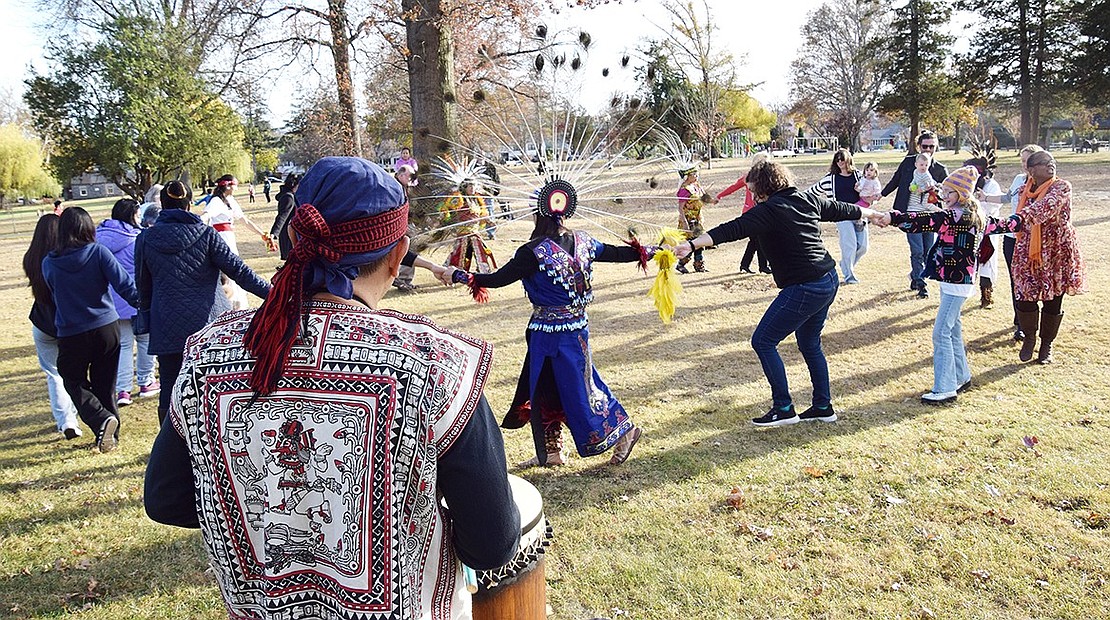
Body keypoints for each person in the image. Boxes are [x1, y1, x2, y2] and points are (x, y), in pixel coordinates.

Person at [144, 157, 520, 619]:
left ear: (297, 240)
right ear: (399, 254)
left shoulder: (207, 356)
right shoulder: (438, 366)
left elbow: (167, 500)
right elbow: (492, 544)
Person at [449, 187, 648, 466]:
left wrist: (459, 275)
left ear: (537, 213)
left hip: (551, 334)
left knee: (580, 389)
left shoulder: (532, 253)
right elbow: (617, 253)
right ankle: (552, 450)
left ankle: (624, 432)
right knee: (547, 387)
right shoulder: (585, 242)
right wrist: (651, 252)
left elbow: (495, 279)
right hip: (571, 330)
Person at [677, 160, 884, 427]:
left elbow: (731, 230)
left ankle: (783, 408)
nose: (751, 195)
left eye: (752, 189)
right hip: (828, 278)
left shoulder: (768, 211)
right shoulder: (805, 198)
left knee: (763, 341)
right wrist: (871, 215)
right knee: (810, 343)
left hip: (806, 285)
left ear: (763, 186)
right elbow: (843, 209)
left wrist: (692, 244)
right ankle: (823, 406)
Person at [879, 166, 1023, 404]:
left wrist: (894, 217)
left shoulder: (956, 216)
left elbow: (924, 221)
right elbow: (1006, 224)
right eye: (943, 191)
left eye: (949, 192)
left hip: (957, 283)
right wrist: (1022, 219)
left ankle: (945, 388)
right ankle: (961, 376)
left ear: (963, 194)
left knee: (941, 333)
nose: (944, 196)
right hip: (955, 281)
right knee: (953, 329)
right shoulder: (975, 215)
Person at [135, 180, 271, 424]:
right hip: (209, 326)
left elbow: (143, 287)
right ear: (188, 205)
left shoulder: (145, 239)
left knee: (169, 384)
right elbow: (241, 273)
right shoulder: (206, 234)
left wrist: (145, 318)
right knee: (215, 386)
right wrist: (275, 294)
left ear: (162, 206)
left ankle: (169, 450)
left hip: (167, 324)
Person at [42, 207, 140, 452]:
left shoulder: (49, 262)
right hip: (106, 327)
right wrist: (147, 305)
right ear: (88, 228)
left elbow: (52, 294)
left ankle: (101, 421)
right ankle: (110, 434)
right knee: (105, 383)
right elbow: (125, 286)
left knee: (73, 380)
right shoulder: (99, 253)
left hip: (72, 331)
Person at [1008, 151, 1087, 364]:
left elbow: (1045, 208)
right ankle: (1029, 337)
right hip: (1028, 249)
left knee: (1053, 299)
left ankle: (1046, 345)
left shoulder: (1061, 187)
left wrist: (1016, 220)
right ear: (1031, 170)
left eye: (1052, 162)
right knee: (1025, 295)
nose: (1051, 165)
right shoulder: (1025, 188)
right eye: (1044, 163)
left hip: (1056, 250)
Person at [22, 214, 81, 439]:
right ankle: (76, 413)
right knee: (74, 372)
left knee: (54, 374)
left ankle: (66, 420)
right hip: (70, 321)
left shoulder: (31, 258)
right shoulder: (67, 257)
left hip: (42, 320)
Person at [96, 199, 159, 407]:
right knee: (144, 340)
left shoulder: (99, 237)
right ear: (133, 215)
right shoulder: (136, 238)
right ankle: (146, 381)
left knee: (123, 345)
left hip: (112, 301)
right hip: (137, 297)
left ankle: (122, 389)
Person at [979, 144, 1045, 340]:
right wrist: (986, 197)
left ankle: (1035, 321)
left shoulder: (1044, 183)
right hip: (1011, 238)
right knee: (1016, 280)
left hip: (1032, 239)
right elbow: (1008, 198)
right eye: (1022, 161)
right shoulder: (1018, 179)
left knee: (1032, 281)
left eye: (1028, 161)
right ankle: (1020, 323)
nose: (1024, 165)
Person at [880, 130, 949, 298]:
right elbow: (895, 180)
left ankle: (914, 276)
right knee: (917, 250)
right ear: (918, 146)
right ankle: (920, 283)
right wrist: (880, 195)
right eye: (925, 146)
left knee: (927, 251)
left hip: (930, 215)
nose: (928, 149)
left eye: (932, 146)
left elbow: (948, 192)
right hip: (910, 214)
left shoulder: (939, 169)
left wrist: (937, 190)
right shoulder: (909, 162)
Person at [203, 174, 275, 308]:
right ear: (229, 185)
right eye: (235, 184)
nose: (237, 187)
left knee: (234, 267)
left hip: (230, 238)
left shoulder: (230, 200)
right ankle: (228, 302)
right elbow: (205, 216)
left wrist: (262, 234)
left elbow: (244, 220)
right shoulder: (216, 201)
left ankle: (238, 303)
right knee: (227, 269)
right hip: (221, 238)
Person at [810, 149, 869, 284]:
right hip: (841, 215)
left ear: (848, 159)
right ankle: (849, 276)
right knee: (849, 245)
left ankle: (845, 265)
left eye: (842, 159)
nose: (840, 162)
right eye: (837, 159)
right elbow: (813, 191)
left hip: (859, 214)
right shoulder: (830, 179)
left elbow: (870, 190)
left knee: (863, 246)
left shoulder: (858, 176)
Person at [717, 153, 771, 274]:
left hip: (762, 211)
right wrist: (719, 196)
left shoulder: (767, 177)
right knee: (758, 239)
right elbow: (733, 187)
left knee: (756, 240)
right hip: (751, 212)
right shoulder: (749, 176)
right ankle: (761, 266)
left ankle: (748, 265)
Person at [441, 178, 497, 273]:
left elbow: (480, 214)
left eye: (474, 186)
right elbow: (445, 208)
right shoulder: (459, 199)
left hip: (474, 231)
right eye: (470, 186)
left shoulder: (476, 200)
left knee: (478, 251)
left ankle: (482, 271)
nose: (472, 188)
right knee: (460, 253)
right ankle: (452, 271)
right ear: (464, 187)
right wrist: (447, 218)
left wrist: (489, 221)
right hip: (464, 232)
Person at [676, 166, 716, 273]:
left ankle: (698, 265)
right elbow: (680, 208)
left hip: (697, 219)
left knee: (699, 243)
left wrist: (713, 201)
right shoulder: (684, 190)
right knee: (693, 243)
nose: (696, 176)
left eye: (697, 174)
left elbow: (704, 197)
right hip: (688, 220)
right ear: (687, 176)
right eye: (694, 174)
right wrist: (684, 222)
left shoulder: (696, 186)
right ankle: (682, 264)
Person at [270, 173, 299, 260]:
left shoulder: (290, 195)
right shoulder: (288, 198)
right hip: (289, 235)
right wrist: (274, 233)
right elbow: (282, 216)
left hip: (290, 232)